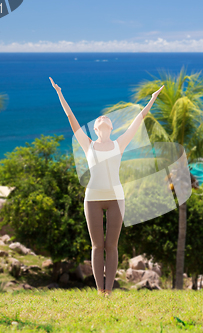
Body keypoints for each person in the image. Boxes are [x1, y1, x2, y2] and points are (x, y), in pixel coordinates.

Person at [49, 77, 164, 296]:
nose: (103, 118)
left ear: (110, 126)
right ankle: (99, 290)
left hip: (115, 198)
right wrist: (59, 93)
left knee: (111, 246)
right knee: (96, 246)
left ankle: (108, 291)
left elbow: (139, 120)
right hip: (92, 198)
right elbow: (70, 117)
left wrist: (152, 100)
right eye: (100, 118)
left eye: (106, 119)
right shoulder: (88, 144)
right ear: (95, 128)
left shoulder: (119, 143)